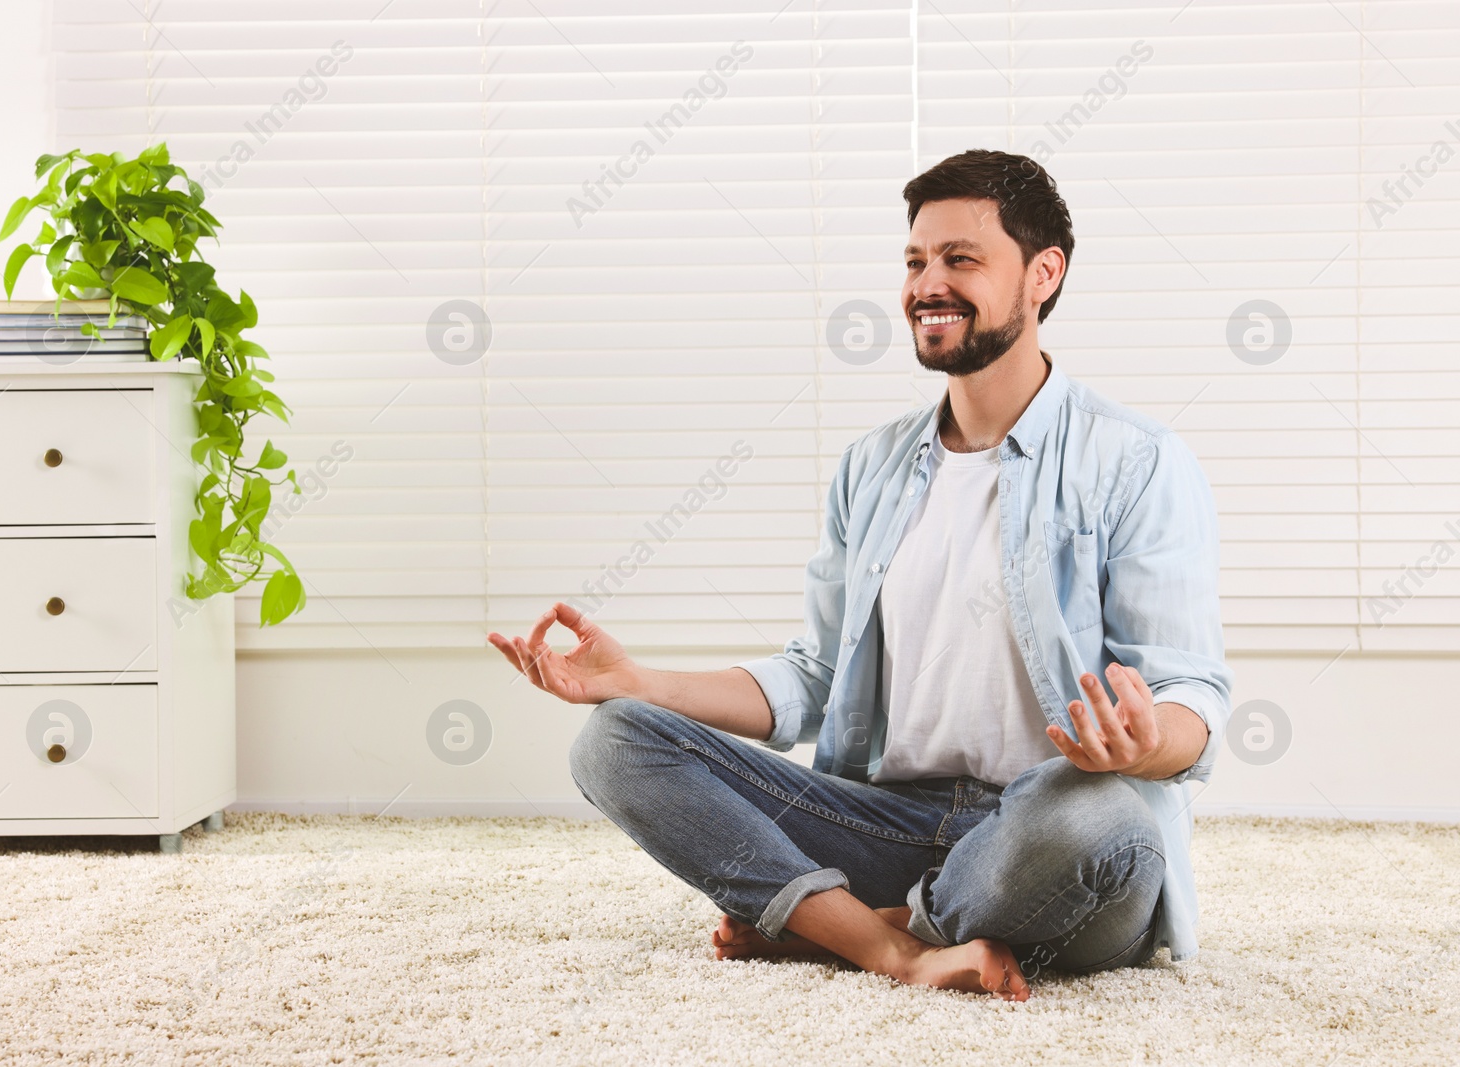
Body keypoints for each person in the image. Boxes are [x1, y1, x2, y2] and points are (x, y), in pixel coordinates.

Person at [488, 148, 1232, 1001]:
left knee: (1099, 818)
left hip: (1049, 827)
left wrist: (1146, 742)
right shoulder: (873, 466)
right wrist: (640, 680)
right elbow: (814, 675)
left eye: (961, 259)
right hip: (891, 818)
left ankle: (836, 923)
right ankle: (896, 949)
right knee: (616, 738)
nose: (927, 284)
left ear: (1042, 275)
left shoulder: (1136, 460)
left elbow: (1191, 691)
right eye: (915, 262)